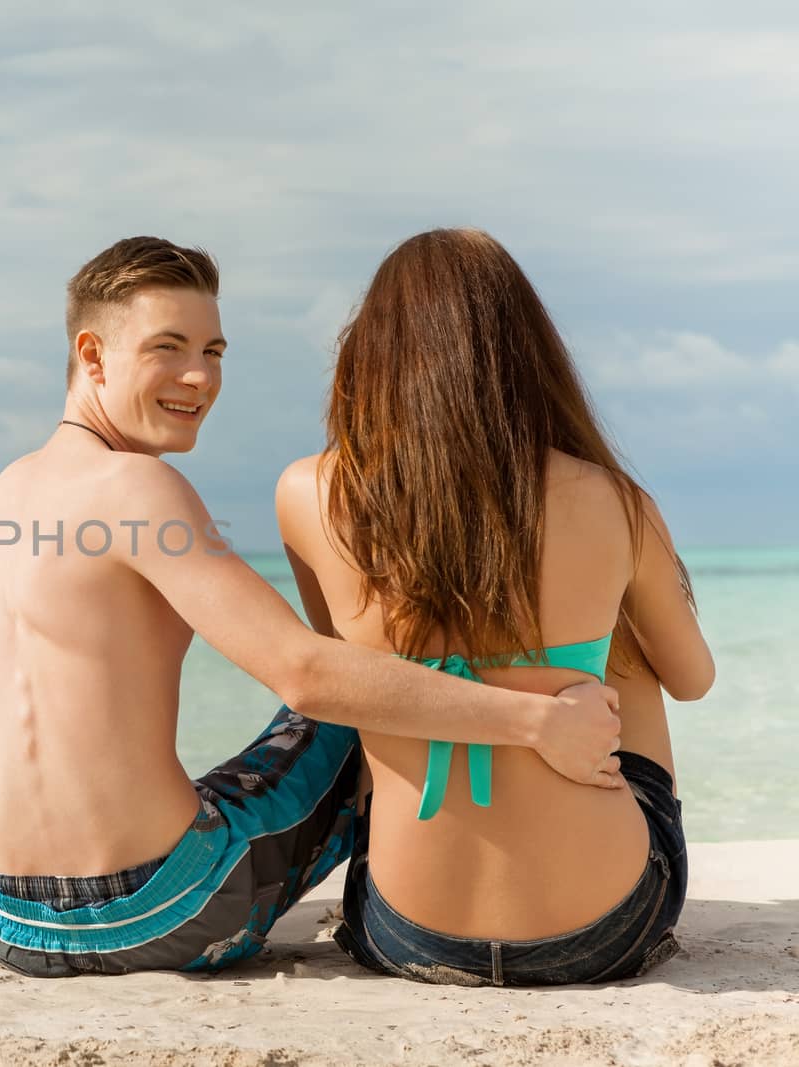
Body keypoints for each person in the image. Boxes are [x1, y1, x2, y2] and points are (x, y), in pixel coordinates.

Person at [0, 236, 627, 978]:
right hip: (159, 910)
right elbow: (305, 674)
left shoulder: (12, 487)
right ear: (92, 356)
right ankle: (445, 881)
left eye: (215, 350)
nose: (199, 376)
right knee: (359, 688)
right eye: (169, 347)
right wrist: (540, 721)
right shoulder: (139, 490)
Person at [276, 227, 714, 986]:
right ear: (527, 354)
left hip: (407, 929)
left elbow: (349, 679)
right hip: (602, 927)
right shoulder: (612, 500)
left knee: (385, 678)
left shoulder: (309, 494)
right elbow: (693, 677)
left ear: (370, 352)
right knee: (626, 654)